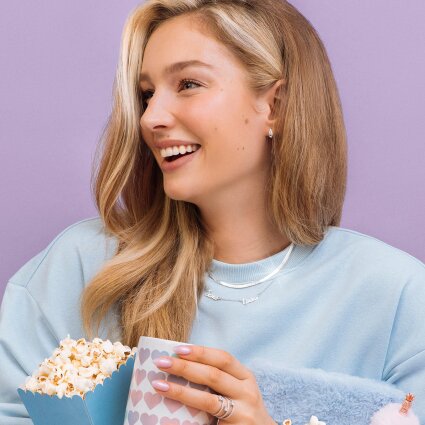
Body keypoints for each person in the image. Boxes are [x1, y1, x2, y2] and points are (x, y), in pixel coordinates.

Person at [1, 0, 424, 424]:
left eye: (188, 84)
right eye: (147, 94)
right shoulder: (81, 271)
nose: (150, 117)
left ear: (275, 106)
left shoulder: (397, 297)